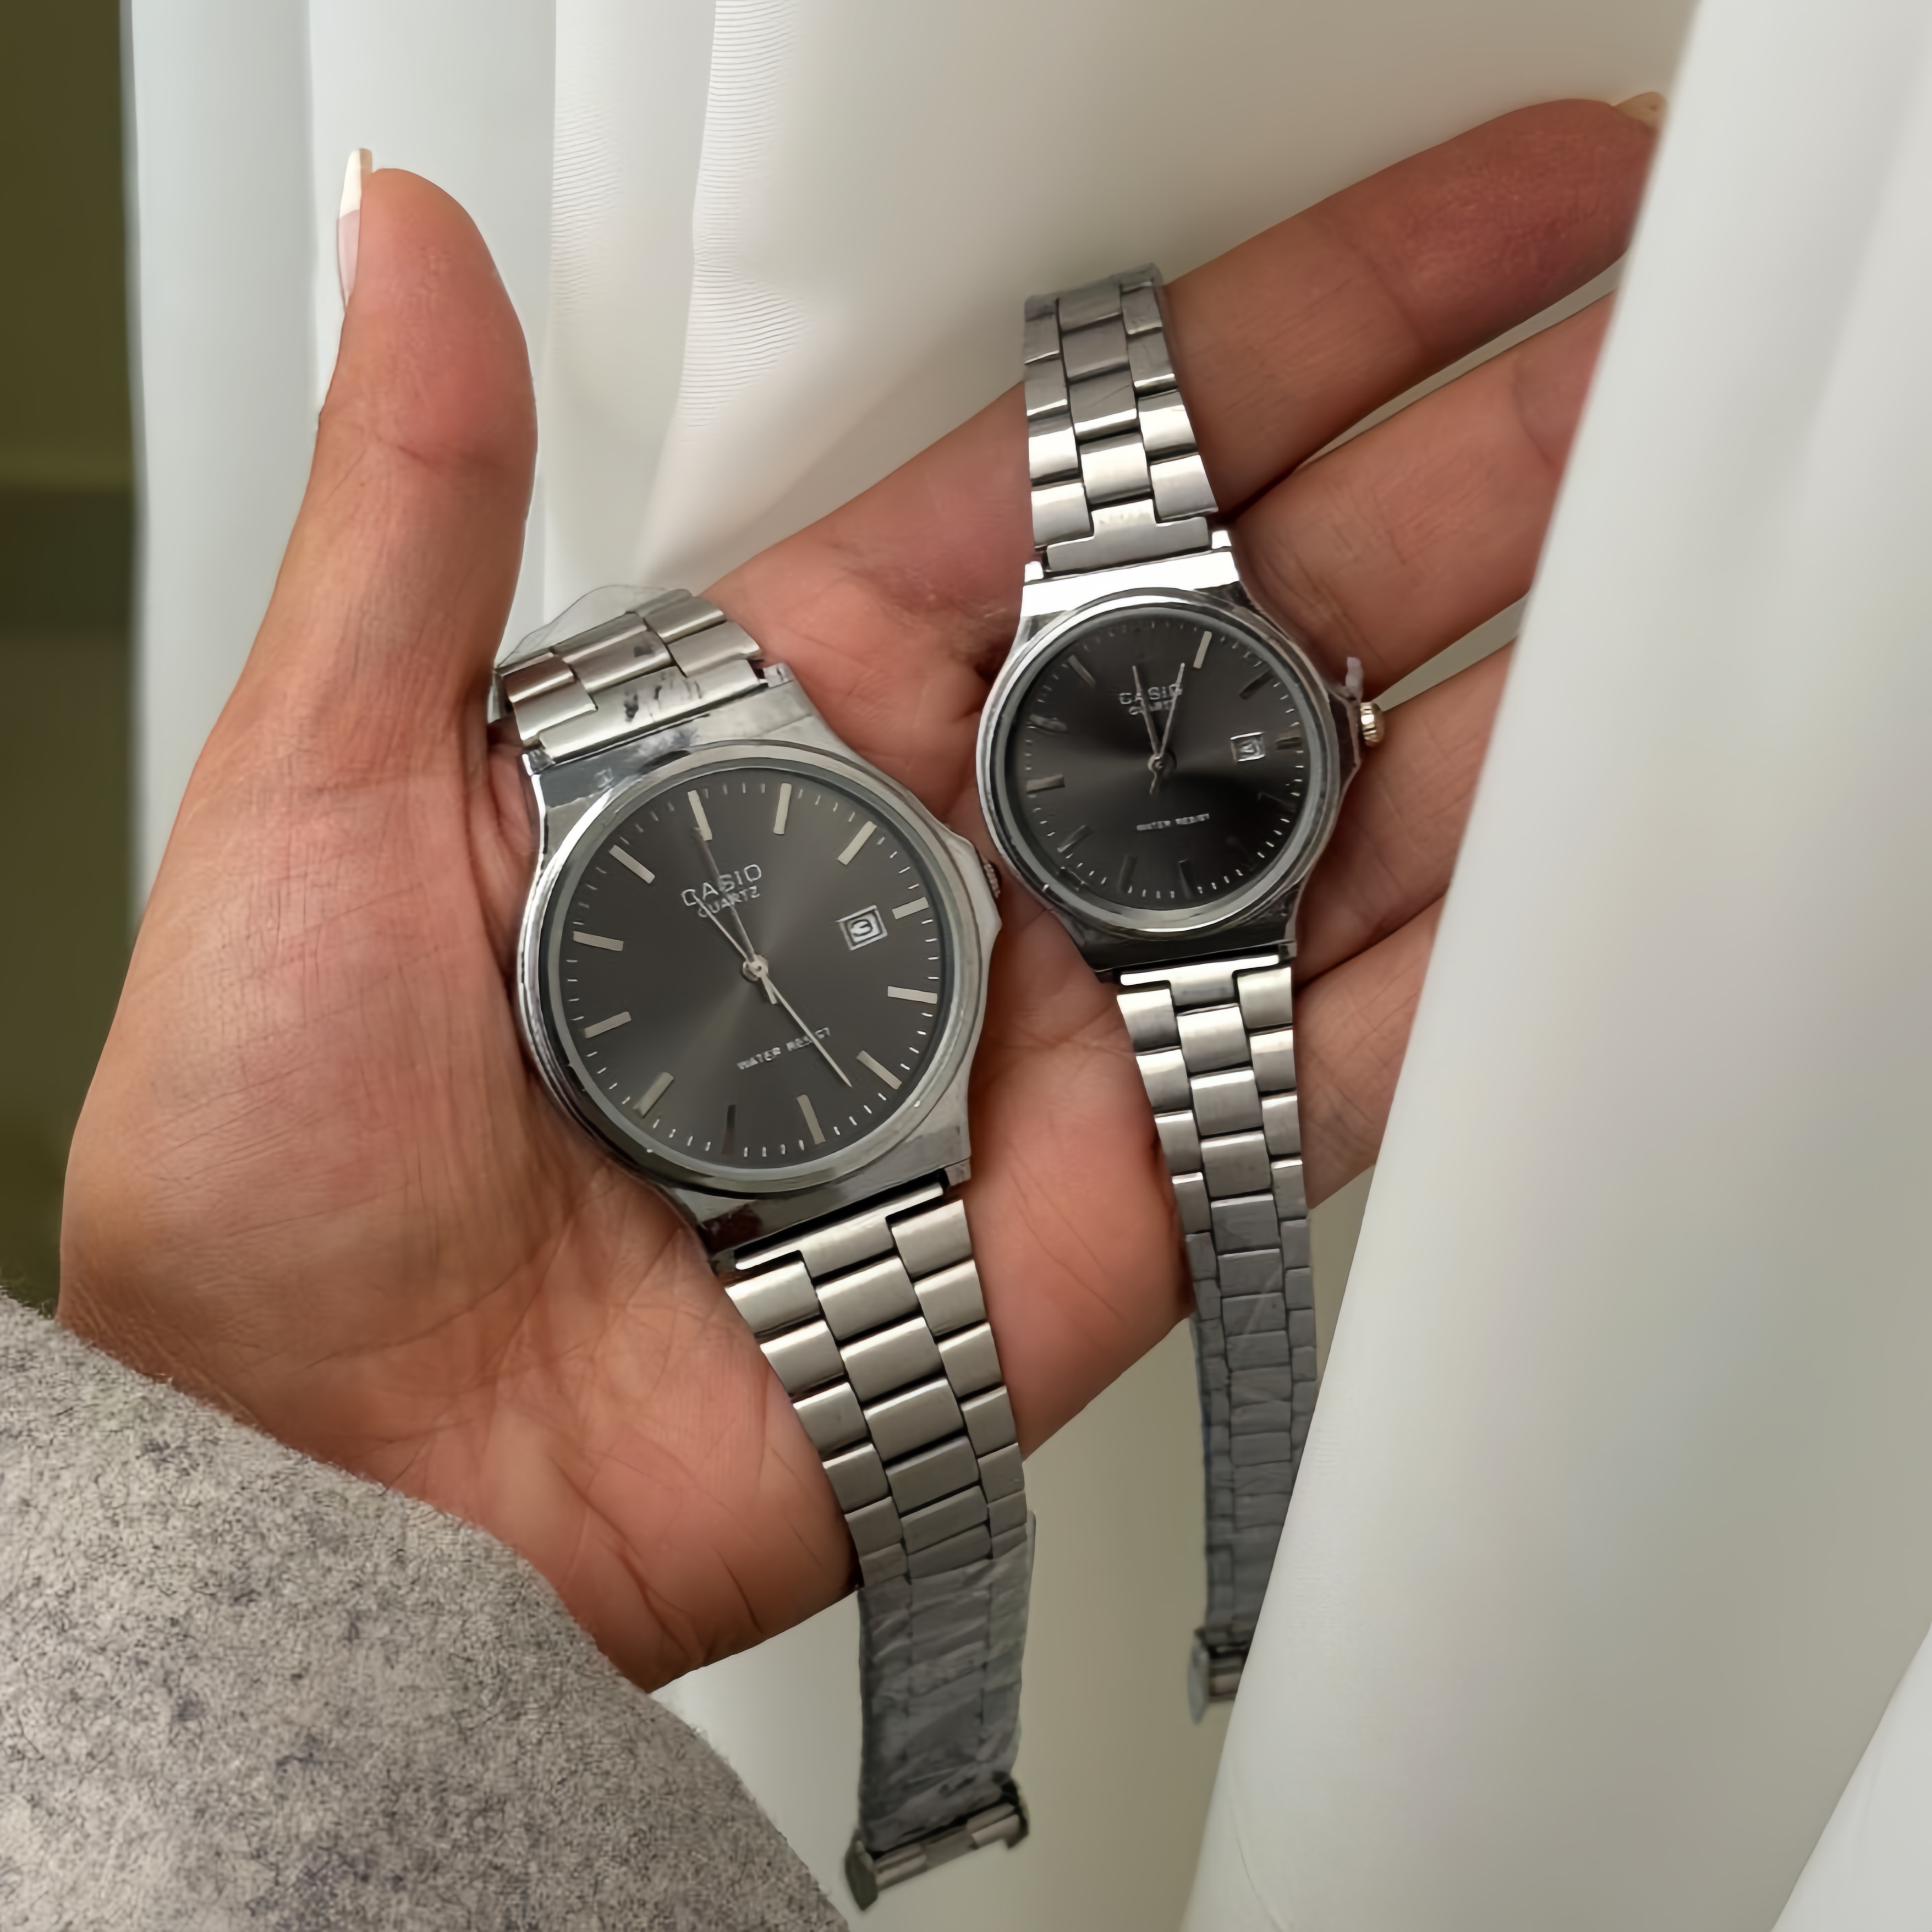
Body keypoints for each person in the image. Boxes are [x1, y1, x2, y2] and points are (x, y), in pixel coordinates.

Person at [0, 98, 1658, 1927]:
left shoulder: (911, 887)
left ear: (953, 869)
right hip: (762, 1176)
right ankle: (952, 1799)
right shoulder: (641, 1057)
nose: (768, 965)